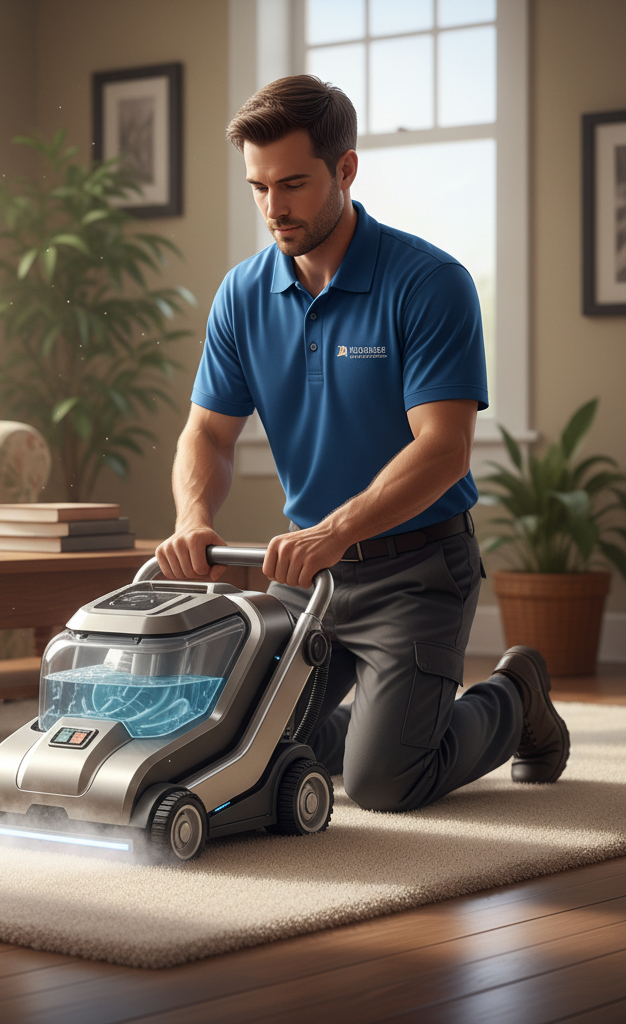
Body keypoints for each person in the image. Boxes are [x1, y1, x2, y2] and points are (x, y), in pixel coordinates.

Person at [155, 76, 569, 812]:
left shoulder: (429, 283)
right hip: (307, 577)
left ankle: (516, 694)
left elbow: (444, 448)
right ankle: (381, 726)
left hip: (417, 570)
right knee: (238, 755)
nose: (274, 208)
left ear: (345, 169)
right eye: (258, 187)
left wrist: (335, 530)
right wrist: (193, 519)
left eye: (293, 184)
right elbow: (208, 435)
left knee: (383, 783)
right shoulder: (241, 296)